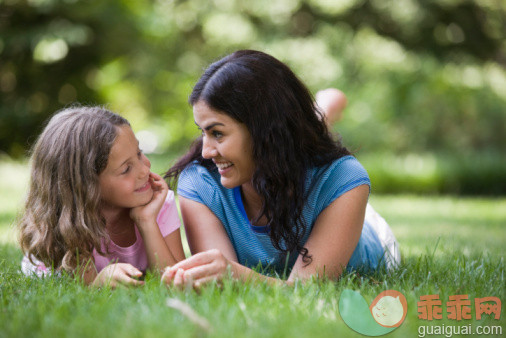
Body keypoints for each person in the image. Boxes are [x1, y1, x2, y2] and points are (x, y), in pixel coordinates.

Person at [162, 50, 400, 288]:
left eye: (217, 133)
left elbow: (307, 289)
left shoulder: (343, 178)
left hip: (368, 233)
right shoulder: (200, 183)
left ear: (262, 130)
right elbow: (220, 281)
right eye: (202, 131)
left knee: (305, 152)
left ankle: (325, 110)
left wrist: (236, 275)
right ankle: (325, 110)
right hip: (286, 160)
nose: (205, 152)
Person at [18, 106, 186, 287]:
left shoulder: (159, 203)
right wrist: (99, 282)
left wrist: (146, 221)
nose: (145, 169)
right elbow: (83, 292)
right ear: (86, 186)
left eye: (139, 153)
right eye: (126, 169)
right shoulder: (71, 221)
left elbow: (175, 282)